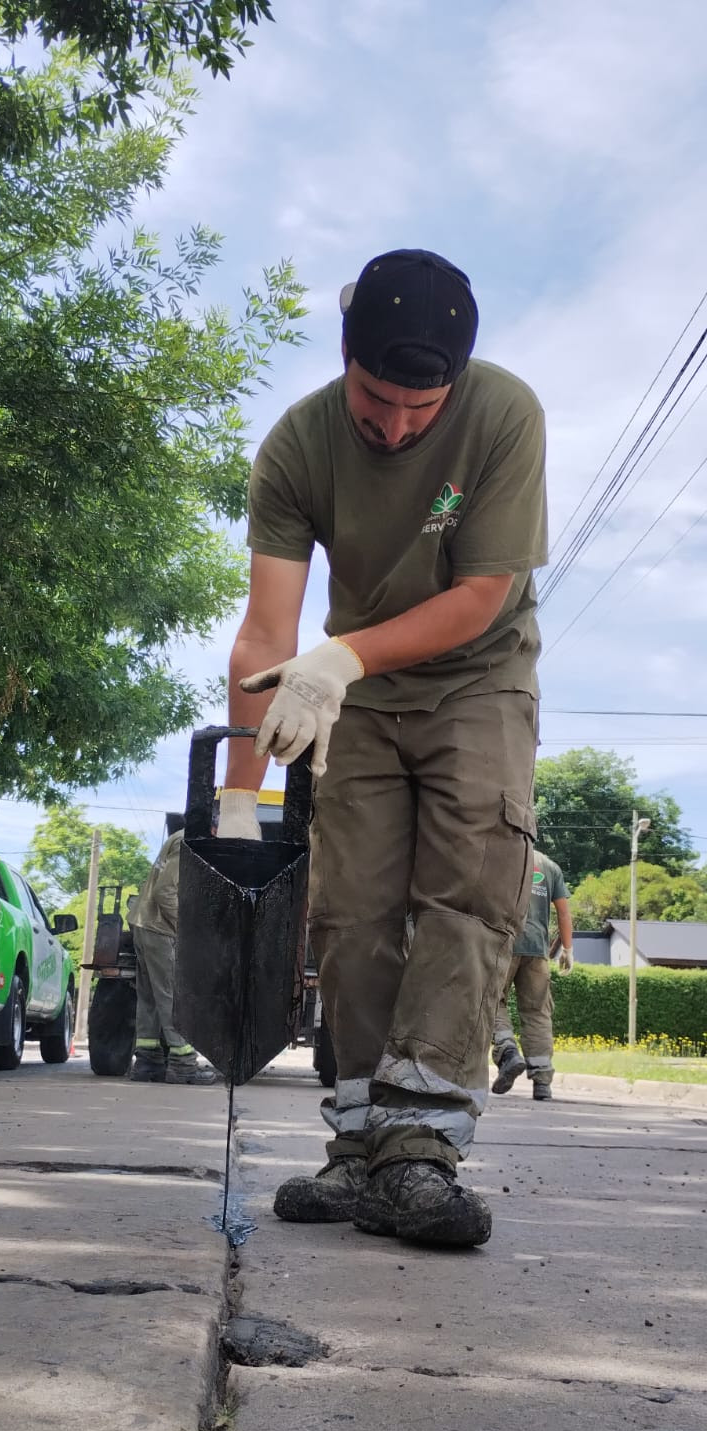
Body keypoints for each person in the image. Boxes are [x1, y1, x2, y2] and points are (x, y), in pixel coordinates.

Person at [217, 247, 548, 1247]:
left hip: (478, 678)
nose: (396, 427)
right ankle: (361, 1146)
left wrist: (342, 657)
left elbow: (479, 597)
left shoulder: (504, 415)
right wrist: (240, 804)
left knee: (468, 890)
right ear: (345, 354)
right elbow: (267, 633)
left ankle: (420, 1150)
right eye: (376, 399)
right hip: (351, 691)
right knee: (350, 906)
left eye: (420, 408)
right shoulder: (297, 446)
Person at [127, 821, 219, 1085]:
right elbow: (164, 891)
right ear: (214, 828)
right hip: (160, 929)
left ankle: (147, 1062)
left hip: (145, 924)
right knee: (173, 996)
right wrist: (186, 927)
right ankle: (183, 1064)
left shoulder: (179, 837)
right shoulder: (188, 843)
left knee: (150, 998)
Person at [491, 850, 573, 1101]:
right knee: (537, 1011)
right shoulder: (550, 866)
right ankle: (542, 1080)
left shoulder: (502, 854)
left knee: (491, 1000)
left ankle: (507, 1051)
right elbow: (563, 912)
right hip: (538, 949)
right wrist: (567, 949)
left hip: (503, 942)